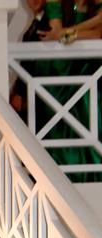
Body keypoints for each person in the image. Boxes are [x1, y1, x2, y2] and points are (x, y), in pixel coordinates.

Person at [36, 0, 102, 180]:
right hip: (57, 72)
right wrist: (69, 33)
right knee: (58, 124)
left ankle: (91, 173)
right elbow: (55, 33)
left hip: (86, 70)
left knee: (90, 114)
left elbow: (97, 34)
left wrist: (67, 32)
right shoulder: (55, 2)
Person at [9, 0, 51, 122]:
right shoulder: (37, 21)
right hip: (31, 91)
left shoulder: (47, 22)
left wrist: (20, 93)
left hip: (39, 93)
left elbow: (32, 63)